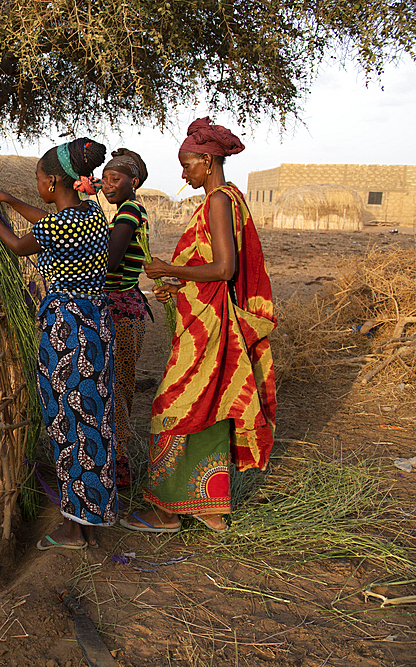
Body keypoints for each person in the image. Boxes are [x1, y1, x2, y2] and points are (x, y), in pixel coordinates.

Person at [120, 118, 276, 534]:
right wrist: (177, 282)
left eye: (187, 164)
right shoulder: (229, 199)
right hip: (204, 319)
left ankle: (168, 512)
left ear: (207, 162)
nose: (184, 173)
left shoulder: (218, 202)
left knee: (170, 409)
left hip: (209, 328)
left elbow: (225, 268)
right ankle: (210, 508)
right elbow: (209, 269)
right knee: (209, 406)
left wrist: (169, 267)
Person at [0, 138, 117, 549]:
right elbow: (48, 222)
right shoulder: (89, 216)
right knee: (92, 420)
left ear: (52, 182)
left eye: (37, 181)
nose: (37, 187)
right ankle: (89, 515)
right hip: (95, 324)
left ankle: (74, 530)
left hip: (68, 331)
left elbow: (18, 246)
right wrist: (10, 198)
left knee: (67, 421)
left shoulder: (60, 224)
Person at [100, 148, 151, 487]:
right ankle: (115, 464)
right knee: (117, 387)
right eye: (104, 179)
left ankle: (118, 470)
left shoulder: (129, 211)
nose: (107, 185)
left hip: (120, 311)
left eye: (115, 179)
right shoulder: (128, 212)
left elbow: (111, 261)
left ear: (133, 182)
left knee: (116, 388)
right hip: (126, 307)